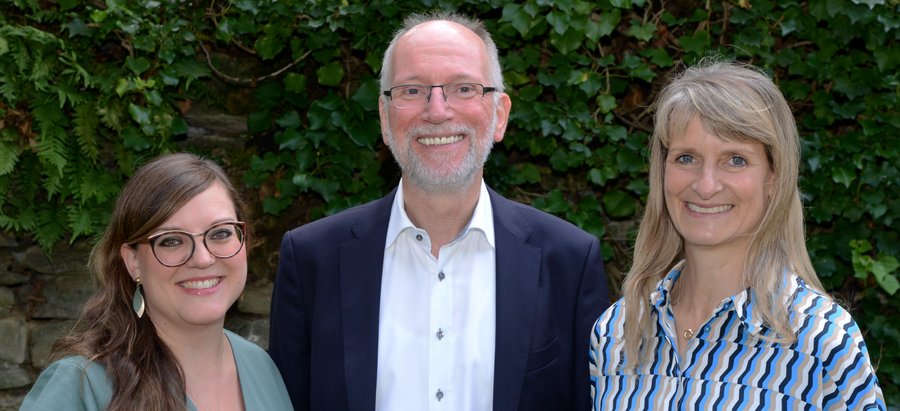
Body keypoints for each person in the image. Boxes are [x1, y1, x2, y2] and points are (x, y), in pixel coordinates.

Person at [269, 11, 609, 411]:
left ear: (499, 114)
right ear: (384, 117)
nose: (436, 110)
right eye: (411, 91)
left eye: (463, 88)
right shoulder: (312, 260)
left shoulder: (568, 262)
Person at [589, 60, 886, 410]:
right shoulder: (617, 332)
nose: (706, 185)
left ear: (774, 178)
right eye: (686, 158)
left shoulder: (821, 341)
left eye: (736, 160)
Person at [21, 153, 293, 411]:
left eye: (221, 233)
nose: (202, 258)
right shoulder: (83, 386)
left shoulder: (261, 366)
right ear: (133, 261)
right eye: (171, 240)